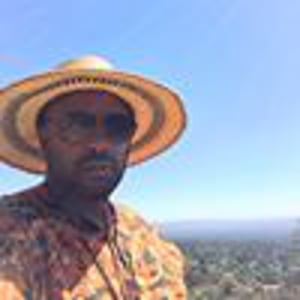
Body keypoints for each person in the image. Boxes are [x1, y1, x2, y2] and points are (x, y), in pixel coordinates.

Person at [0, 55, 187, 299]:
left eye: (117, 127)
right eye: (78, 125)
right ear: (43, 136)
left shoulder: (140, 232)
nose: (100, 143)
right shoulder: (11, 231)